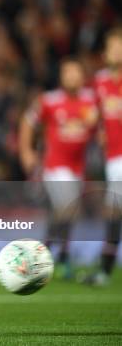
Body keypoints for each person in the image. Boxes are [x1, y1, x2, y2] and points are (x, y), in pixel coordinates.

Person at [19, 58, 98, 279]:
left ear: (82, 76)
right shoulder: (49, 101)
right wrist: (26, 151)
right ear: (61, 77)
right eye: (67, 73)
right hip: (55, 165)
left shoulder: (91, 101)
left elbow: (102, 125)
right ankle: (60, 258)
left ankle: (41, 256)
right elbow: (27, 122)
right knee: (68, 208)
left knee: (60, 215)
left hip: (78, 167)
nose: (72, 77)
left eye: (75, 72)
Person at [84, 27, 122, 286]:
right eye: (112, 47)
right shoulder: (99, 82)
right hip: (114, 157)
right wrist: (96, 127)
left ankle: (104, 270)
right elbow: (91, 113)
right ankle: (105, 270)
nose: (116, 51)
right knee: (114, 211)